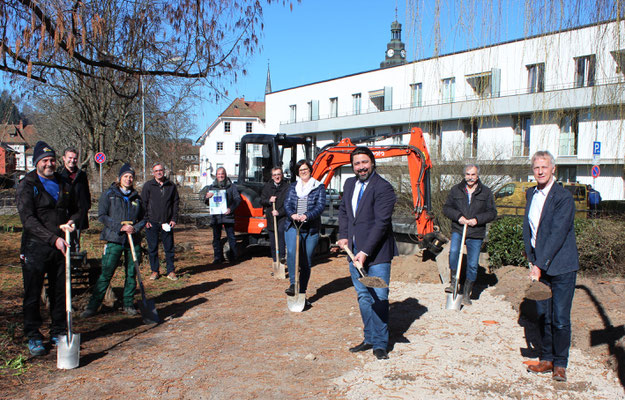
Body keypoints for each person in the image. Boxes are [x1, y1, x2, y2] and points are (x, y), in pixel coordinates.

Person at [16, 141, 81, 356]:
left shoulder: (63, 182)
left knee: (60, 291)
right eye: (44, 161)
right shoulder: (28, 184)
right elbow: (28, 220)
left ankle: (59, 330)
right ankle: (33, 335)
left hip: (61, 247)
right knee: (33, 292)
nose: (49, 164)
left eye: (52, 160)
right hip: (35, 247)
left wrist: (72, 221)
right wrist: (53, 238)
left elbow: (78, 209)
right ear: (37, 163)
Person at [337, 147, 397, 360]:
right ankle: (370, 337)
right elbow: (344, 212)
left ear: (372, 162)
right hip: (353, 253)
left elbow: (381, 224)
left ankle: (381, 344)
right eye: (356, 163)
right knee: (363, 296)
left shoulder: (384, 188)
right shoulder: (349, 184)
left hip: (377, 254)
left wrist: (364, 252)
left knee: (379, 296)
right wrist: (344, 235)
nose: (361, 167)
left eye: (364, 162)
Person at [524, 151, 579, 382]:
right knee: (543, 315)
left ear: (553, 169)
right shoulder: (531, 194)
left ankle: (560, 364)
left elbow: (557, 234)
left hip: (562, 266)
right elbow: (530, 229)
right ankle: (546, 359)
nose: (540, 171)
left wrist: (539, 264)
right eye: (536, 167)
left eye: (544, 167)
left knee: (560, 318)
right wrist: (531, 257)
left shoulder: (563, 197)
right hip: (541, 264)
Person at [81, 163, 146, 318]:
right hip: (114, 239)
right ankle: (92, 306)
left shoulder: (137, 197)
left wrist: (135, 228)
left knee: (131, 273)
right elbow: (102, 216)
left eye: (131, 177)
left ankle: (128, 304)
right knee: (106, 273)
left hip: (133, 240)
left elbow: (144, 218)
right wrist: (120, 227)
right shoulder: (109, 194)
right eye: (125, 176)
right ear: (119, 178)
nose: (128, 179)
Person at [442, 164, 497, 305]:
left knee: (472, 264)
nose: (470, 177)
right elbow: (447, 208)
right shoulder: (456, 190)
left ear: (477, 175)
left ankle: (466, 293)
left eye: (473, 174)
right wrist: (458, 217)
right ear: (464, 175)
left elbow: (492, 213)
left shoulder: (485, 192)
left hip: (476, 232)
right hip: (459, 229)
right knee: (454, 252)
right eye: (468, 174)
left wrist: (477, 220)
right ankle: (454, 283)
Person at [283, 160, 326, 298]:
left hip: (311, 228)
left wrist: (307, 215)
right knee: (291, 252)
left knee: (306, 260)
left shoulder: (319, 187)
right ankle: (293, 284)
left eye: (305, 169)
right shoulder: (293, 187)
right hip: (293, 225)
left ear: (310, 170)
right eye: (300, 170)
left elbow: (320, 206)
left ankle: (302, 291)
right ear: (297, 172)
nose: (303, 172)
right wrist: (292, 214)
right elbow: (287, 203)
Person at [142, 162, 180, 281]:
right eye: (156, 171)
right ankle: (154, 271)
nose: (159, 172)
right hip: (152, 222)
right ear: (153, 173)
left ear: (164, 171)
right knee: (152, 248)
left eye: (160, 170)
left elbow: (175, 203)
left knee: (169, 248)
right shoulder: (148, 186)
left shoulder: (171, 186)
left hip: (167, 222)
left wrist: (174, 218)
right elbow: (143, 203)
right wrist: (145, 219)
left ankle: (171, 271)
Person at [204, 167, 241, 263]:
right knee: (216, 238)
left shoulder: (232, 187)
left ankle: (233, 257)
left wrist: (231, 209)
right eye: (219, 174)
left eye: (222, 174)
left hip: (228, 216)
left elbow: (237, 199)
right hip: (216, 217)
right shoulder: (211, 187)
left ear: (225, 175)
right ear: (216, 175)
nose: (220, 176)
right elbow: (207, 202)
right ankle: (217, 257)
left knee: (231, 237)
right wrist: (207, 197)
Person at [59, 147, 91, 252]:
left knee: (75, 244)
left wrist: (83, 210)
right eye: (70, 158)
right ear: (64, 158)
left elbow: (86, 196)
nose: (72, 160)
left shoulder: (81, 176)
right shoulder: (59, 175)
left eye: (75, 158)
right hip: (63, 217)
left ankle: (74, 266)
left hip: (78, 216)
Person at [260, 167, 289, 267]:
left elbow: (289, 205)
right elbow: (262, 200)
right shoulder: (268, 187)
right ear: (272, 177)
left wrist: (279, 212)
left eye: (279, 174)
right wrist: (269, 200)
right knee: (273, 241)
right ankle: (275, 262)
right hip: (271, 218)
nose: (277, 176)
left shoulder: (287, 187)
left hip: (282, 217)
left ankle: (281, 259)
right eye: (275, 175)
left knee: (280, 235)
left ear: (282, 175)